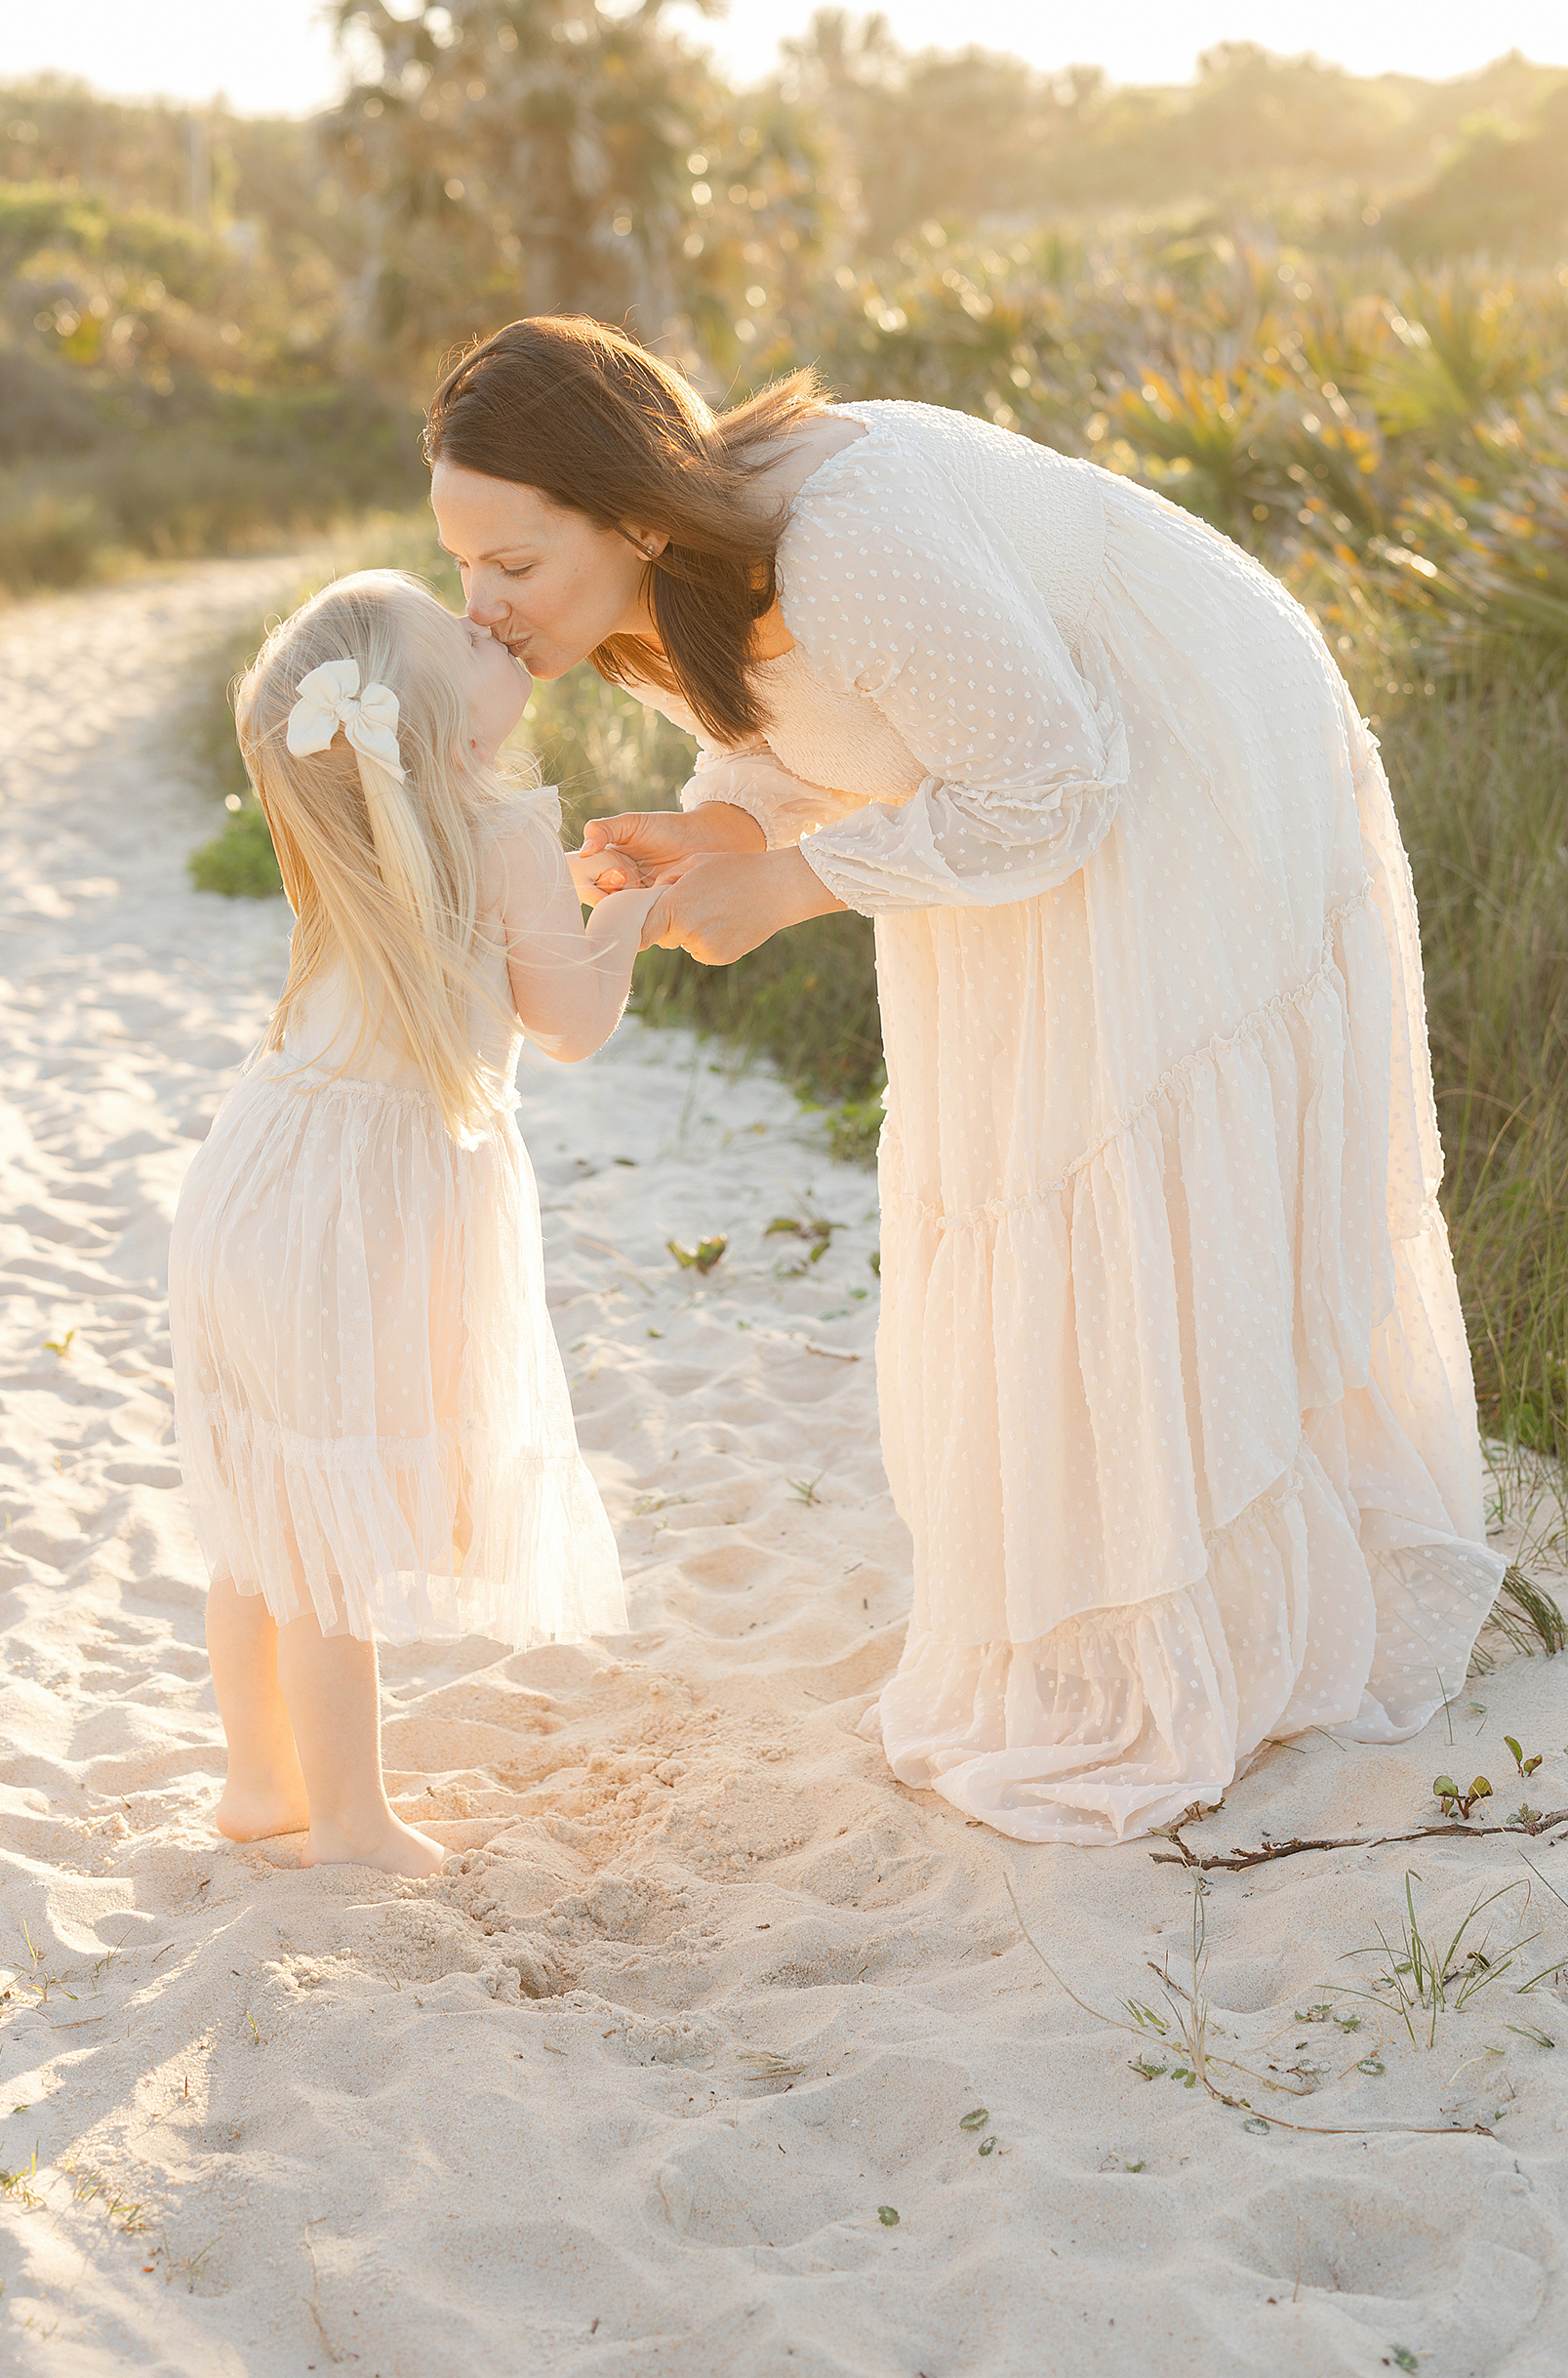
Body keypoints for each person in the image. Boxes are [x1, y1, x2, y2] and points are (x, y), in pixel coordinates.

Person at [429, 316, 1506, 1848]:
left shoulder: (851, 538)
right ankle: (1126, 1602)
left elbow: (1051, 782)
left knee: (1121, 1151)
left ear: (633, 508)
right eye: (463, 563)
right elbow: (823, 739)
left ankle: (1225, 1611)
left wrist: (795, 887)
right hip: (1027, 775)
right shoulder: (647, 599)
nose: (480, 604)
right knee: (1018, 1158)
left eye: (511, 563)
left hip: (1185, 741)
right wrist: (725, 835)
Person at [168, 569, 661, 1874]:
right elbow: (568, 1023)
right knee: (330, 1535)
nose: (489, 619)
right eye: (462, 636)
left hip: (255, 1183)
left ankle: (257, 1780)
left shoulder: (372, 838)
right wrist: (629, 916)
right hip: (358, 1214)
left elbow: (467, 953)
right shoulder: (494, 833)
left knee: (266, 1512)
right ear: (451, 736)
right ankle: (350, 1823)